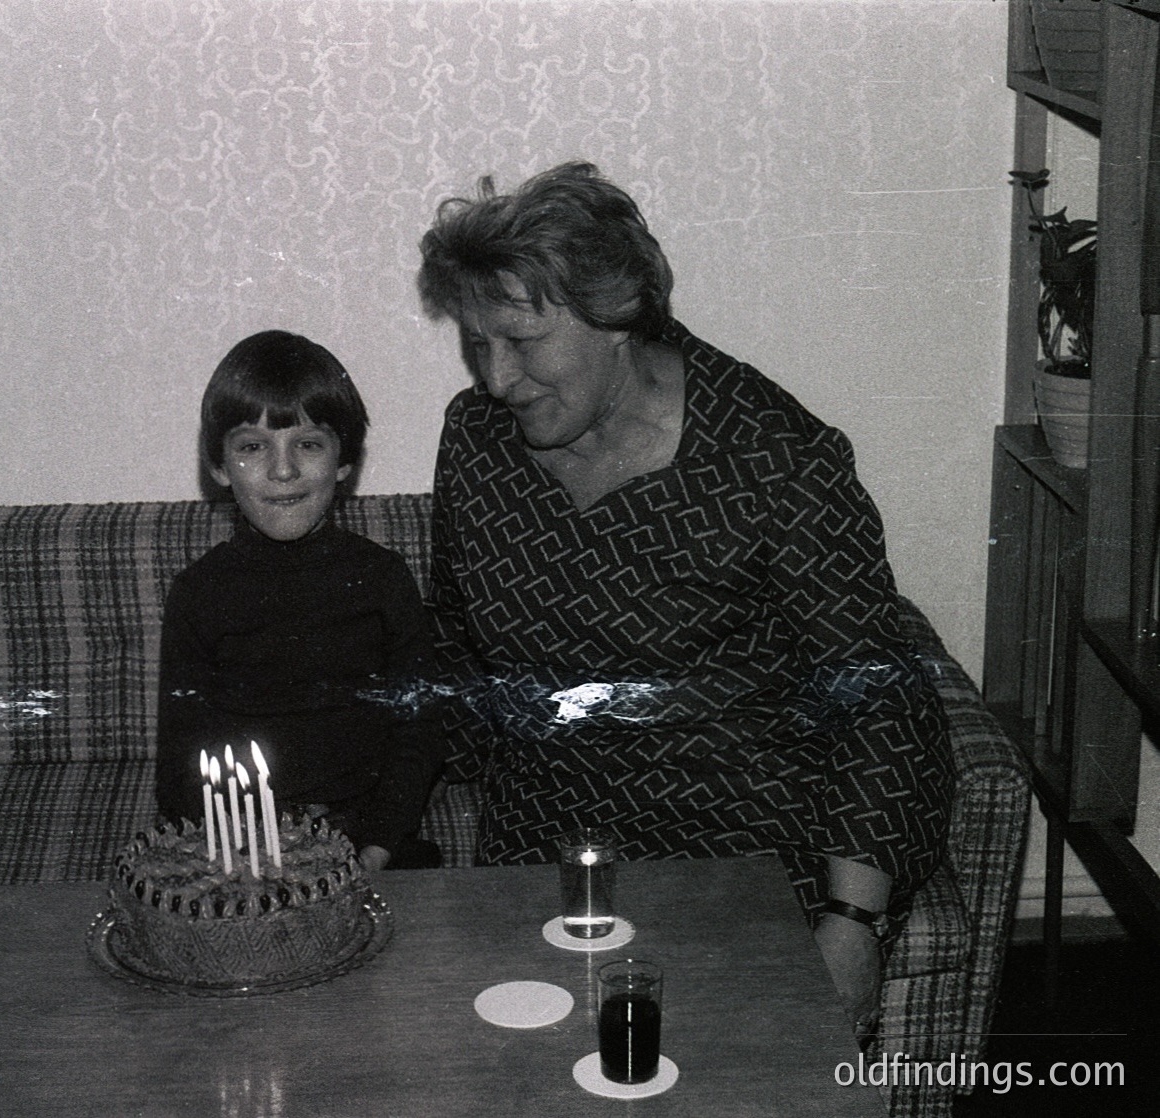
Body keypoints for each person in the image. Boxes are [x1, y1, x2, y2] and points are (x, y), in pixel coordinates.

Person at [416, 162, 953, 1035]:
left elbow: (880, 704)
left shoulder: (774, 458)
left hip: (740, 855)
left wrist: (852, 923)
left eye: (521, 341)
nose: (497, 378)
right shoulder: (477, 443)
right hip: (549, 854)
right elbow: (452, 642)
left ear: (618, 315)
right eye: (478, 343)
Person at [154, 329, 444, 871]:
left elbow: (419, 731)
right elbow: (181, 760)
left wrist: (376, 848)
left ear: (344, 460)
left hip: (369, 844)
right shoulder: (199, 592)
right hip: (242, 852)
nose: (282, 469)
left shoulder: (381, 578)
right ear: (219, 466)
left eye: (307, 444)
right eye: (252, 446)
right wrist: (234, 859)